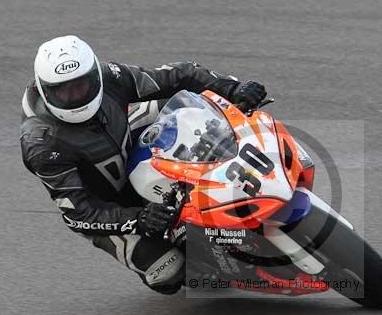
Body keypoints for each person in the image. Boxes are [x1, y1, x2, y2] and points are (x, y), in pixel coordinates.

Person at [20, 35, 267, 294]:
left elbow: (180, 75)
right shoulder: (42, 144)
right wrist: (137, 219)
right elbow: (78, 214)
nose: (75, 96)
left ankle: (239, 174)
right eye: (64, 91)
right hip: (107, 203)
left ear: (94, 76)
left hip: (127, 138)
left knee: (188, 113)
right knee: (168, 271)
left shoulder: (110, 77)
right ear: (45, 90)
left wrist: (231, 88)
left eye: (81, 85)